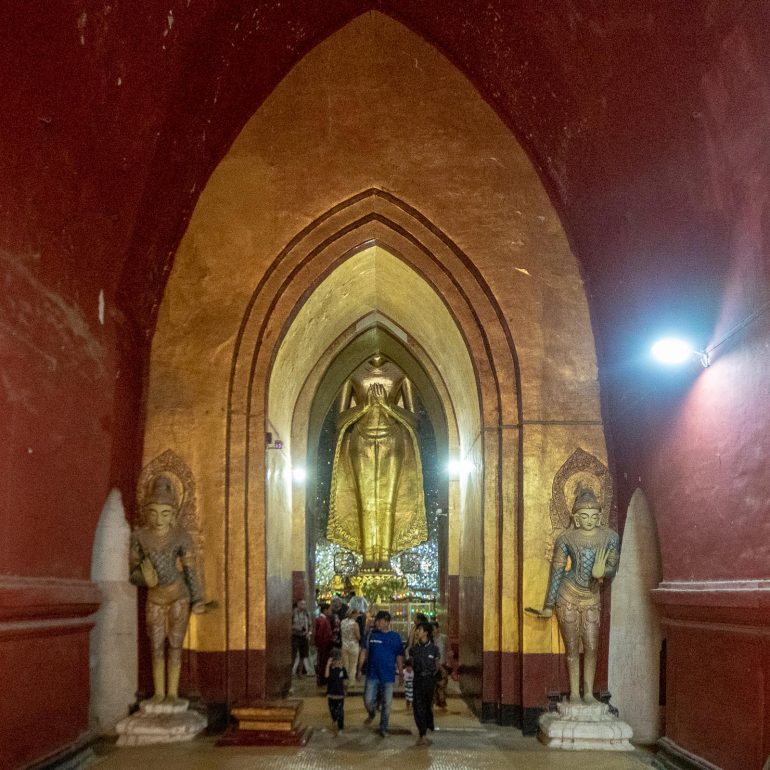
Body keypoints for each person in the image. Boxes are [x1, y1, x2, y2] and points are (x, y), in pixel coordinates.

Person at [326, 356, 428, 570]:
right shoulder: (353, 372)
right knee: (365, 503)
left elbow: (414, 419)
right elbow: (339, 420)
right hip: (361, 441)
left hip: (392, 440)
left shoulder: (401, 372)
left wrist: (388, 406)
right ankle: (368, 558)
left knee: (388, 502)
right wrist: (363, 406)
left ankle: (385, 559)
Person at [526, 488, 620, 704]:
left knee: (591, 645)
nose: (589, 520)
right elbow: (557, 570)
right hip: (567, 595)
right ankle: (575, 694)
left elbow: (613, 566)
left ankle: (588, 692)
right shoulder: (566, 538)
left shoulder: (609, 537)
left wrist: (602, 572)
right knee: (571, 646)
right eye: (584, 516)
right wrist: (549, 604)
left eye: (594, 516)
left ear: (599, 517)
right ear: (576, 518)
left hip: (592, 596)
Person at [129, 474, 207, 704]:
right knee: (155, 646)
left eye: (165, 513)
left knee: (174, 645)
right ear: (146, 512)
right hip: (154, 596)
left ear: (174, 514)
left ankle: (172, 693)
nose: (159, 518)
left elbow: (191, 571)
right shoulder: (140, 537)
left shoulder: (181, 537)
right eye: (153, 512)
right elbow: (132, 572)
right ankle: (159, 693)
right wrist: (145, 579)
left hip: (178, 595)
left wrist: (197, 599)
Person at [357, 609, 404, 736]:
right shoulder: (371, 635)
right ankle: (371, 713)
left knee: (387, 704)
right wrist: (359, 669)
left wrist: (401, 673)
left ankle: (383, 727)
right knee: (367, 700)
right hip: (372, 674)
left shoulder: (395, 637)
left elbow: (399, 656)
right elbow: (364, 652)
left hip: (388, 676)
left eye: (380, 620)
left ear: (387, 622)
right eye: (377, 620)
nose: (377, 623)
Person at [410, 621, 440, 746]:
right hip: (417, 680)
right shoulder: (414, 649)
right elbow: (411, 663)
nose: (417, 632)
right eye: (417, 629)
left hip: (429, 681)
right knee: (417, 706)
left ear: (426, 632)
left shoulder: (434, 649)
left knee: (427, 706)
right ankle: (422, 734)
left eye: (420, 629)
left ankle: (428, 725)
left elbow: (437, 667)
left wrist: (431, 677)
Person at [324, 648, 348, 735]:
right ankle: (334, 719)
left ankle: (340, 727)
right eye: (335, 660)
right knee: (332, 710)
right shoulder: (330, 669)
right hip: (331, 694)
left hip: (340, 694)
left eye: (338, 660)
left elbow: (345, 681)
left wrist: (345, 690)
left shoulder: (342, 669)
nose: (337, 662)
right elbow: (326, 676)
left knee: (340, 711)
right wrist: (327, 665)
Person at [291, 599, 312, 677]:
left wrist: (309, 633)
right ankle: (290, 672)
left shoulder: (307, 613)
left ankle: (300, 672)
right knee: (293, 654)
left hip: (304, 635)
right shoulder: (293, 613)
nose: (303, 606)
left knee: (303, 655)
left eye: (305, 604)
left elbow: (310, 625)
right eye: (302, 604)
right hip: (295, 635)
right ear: (298, 604)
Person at [314, 603, 333, 686]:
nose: (330, 611)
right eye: (329, 610)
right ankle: (322, 680)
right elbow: (320, 634)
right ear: (325, 610)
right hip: (324, 645)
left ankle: (322, 679)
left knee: (322, 662)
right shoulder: (323, 620)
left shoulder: (321, 619)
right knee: (323, 662)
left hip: (323, 645)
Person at [432, 621, 450, 709]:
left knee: (442, 686)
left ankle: (442, 703)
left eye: (434, 629)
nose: (432, 631)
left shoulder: (444, 638)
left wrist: (449, 663)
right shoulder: (429, 639)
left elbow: (449, 651)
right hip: (432, 666)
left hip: (442, 665)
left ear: (438, 628)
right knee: (433, 686)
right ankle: (433, 702)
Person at [340, 607, 361, 681]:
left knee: (345, 665)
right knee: (353, 666)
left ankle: (344, 681)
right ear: (353, 614)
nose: (357, 616)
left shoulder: (342, 622)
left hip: (344, 646)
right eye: (357, 614)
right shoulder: (355, 624)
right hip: (353, 646)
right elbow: (358, 637)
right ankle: (351, 683)